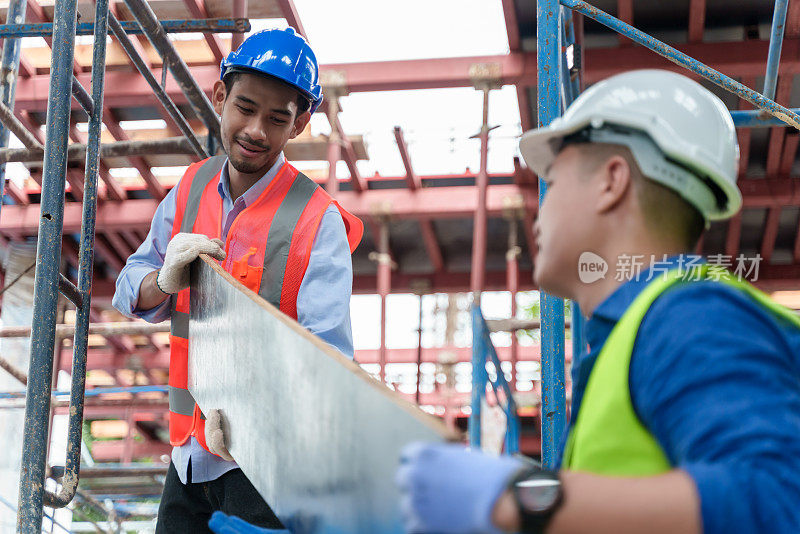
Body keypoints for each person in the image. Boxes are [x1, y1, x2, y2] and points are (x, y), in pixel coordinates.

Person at [396, 69, 800, 533]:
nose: (539, 212)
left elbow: (781, 497)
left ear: (612, 181)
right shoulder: (635, 337)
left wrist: (518, 500)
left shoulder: (691, 315)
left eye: (554, 181)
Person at [113, 27, 363, 533]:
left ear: (300, 124)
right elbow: (129, 288)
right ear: (221, 96)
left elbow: (327, 364)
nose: (256, 129)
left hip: (265, 470)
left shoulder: (318, 220)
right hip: (187, 458)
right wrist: (164, 280)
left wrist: (260, 423)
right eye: (245, 107)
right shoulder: (192, 187)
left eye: (277, 118)